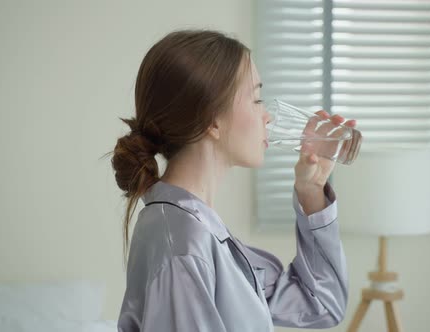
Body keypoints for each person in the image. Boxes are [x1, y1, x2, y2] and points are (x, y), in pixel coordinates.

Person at [111, 29, 356, 332]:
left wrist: (312, 189)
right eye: (257, 99)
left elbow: (320, 305)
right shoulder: (183, 243)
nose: (269, 116)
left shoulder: (200, 232)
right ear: (211, 119)